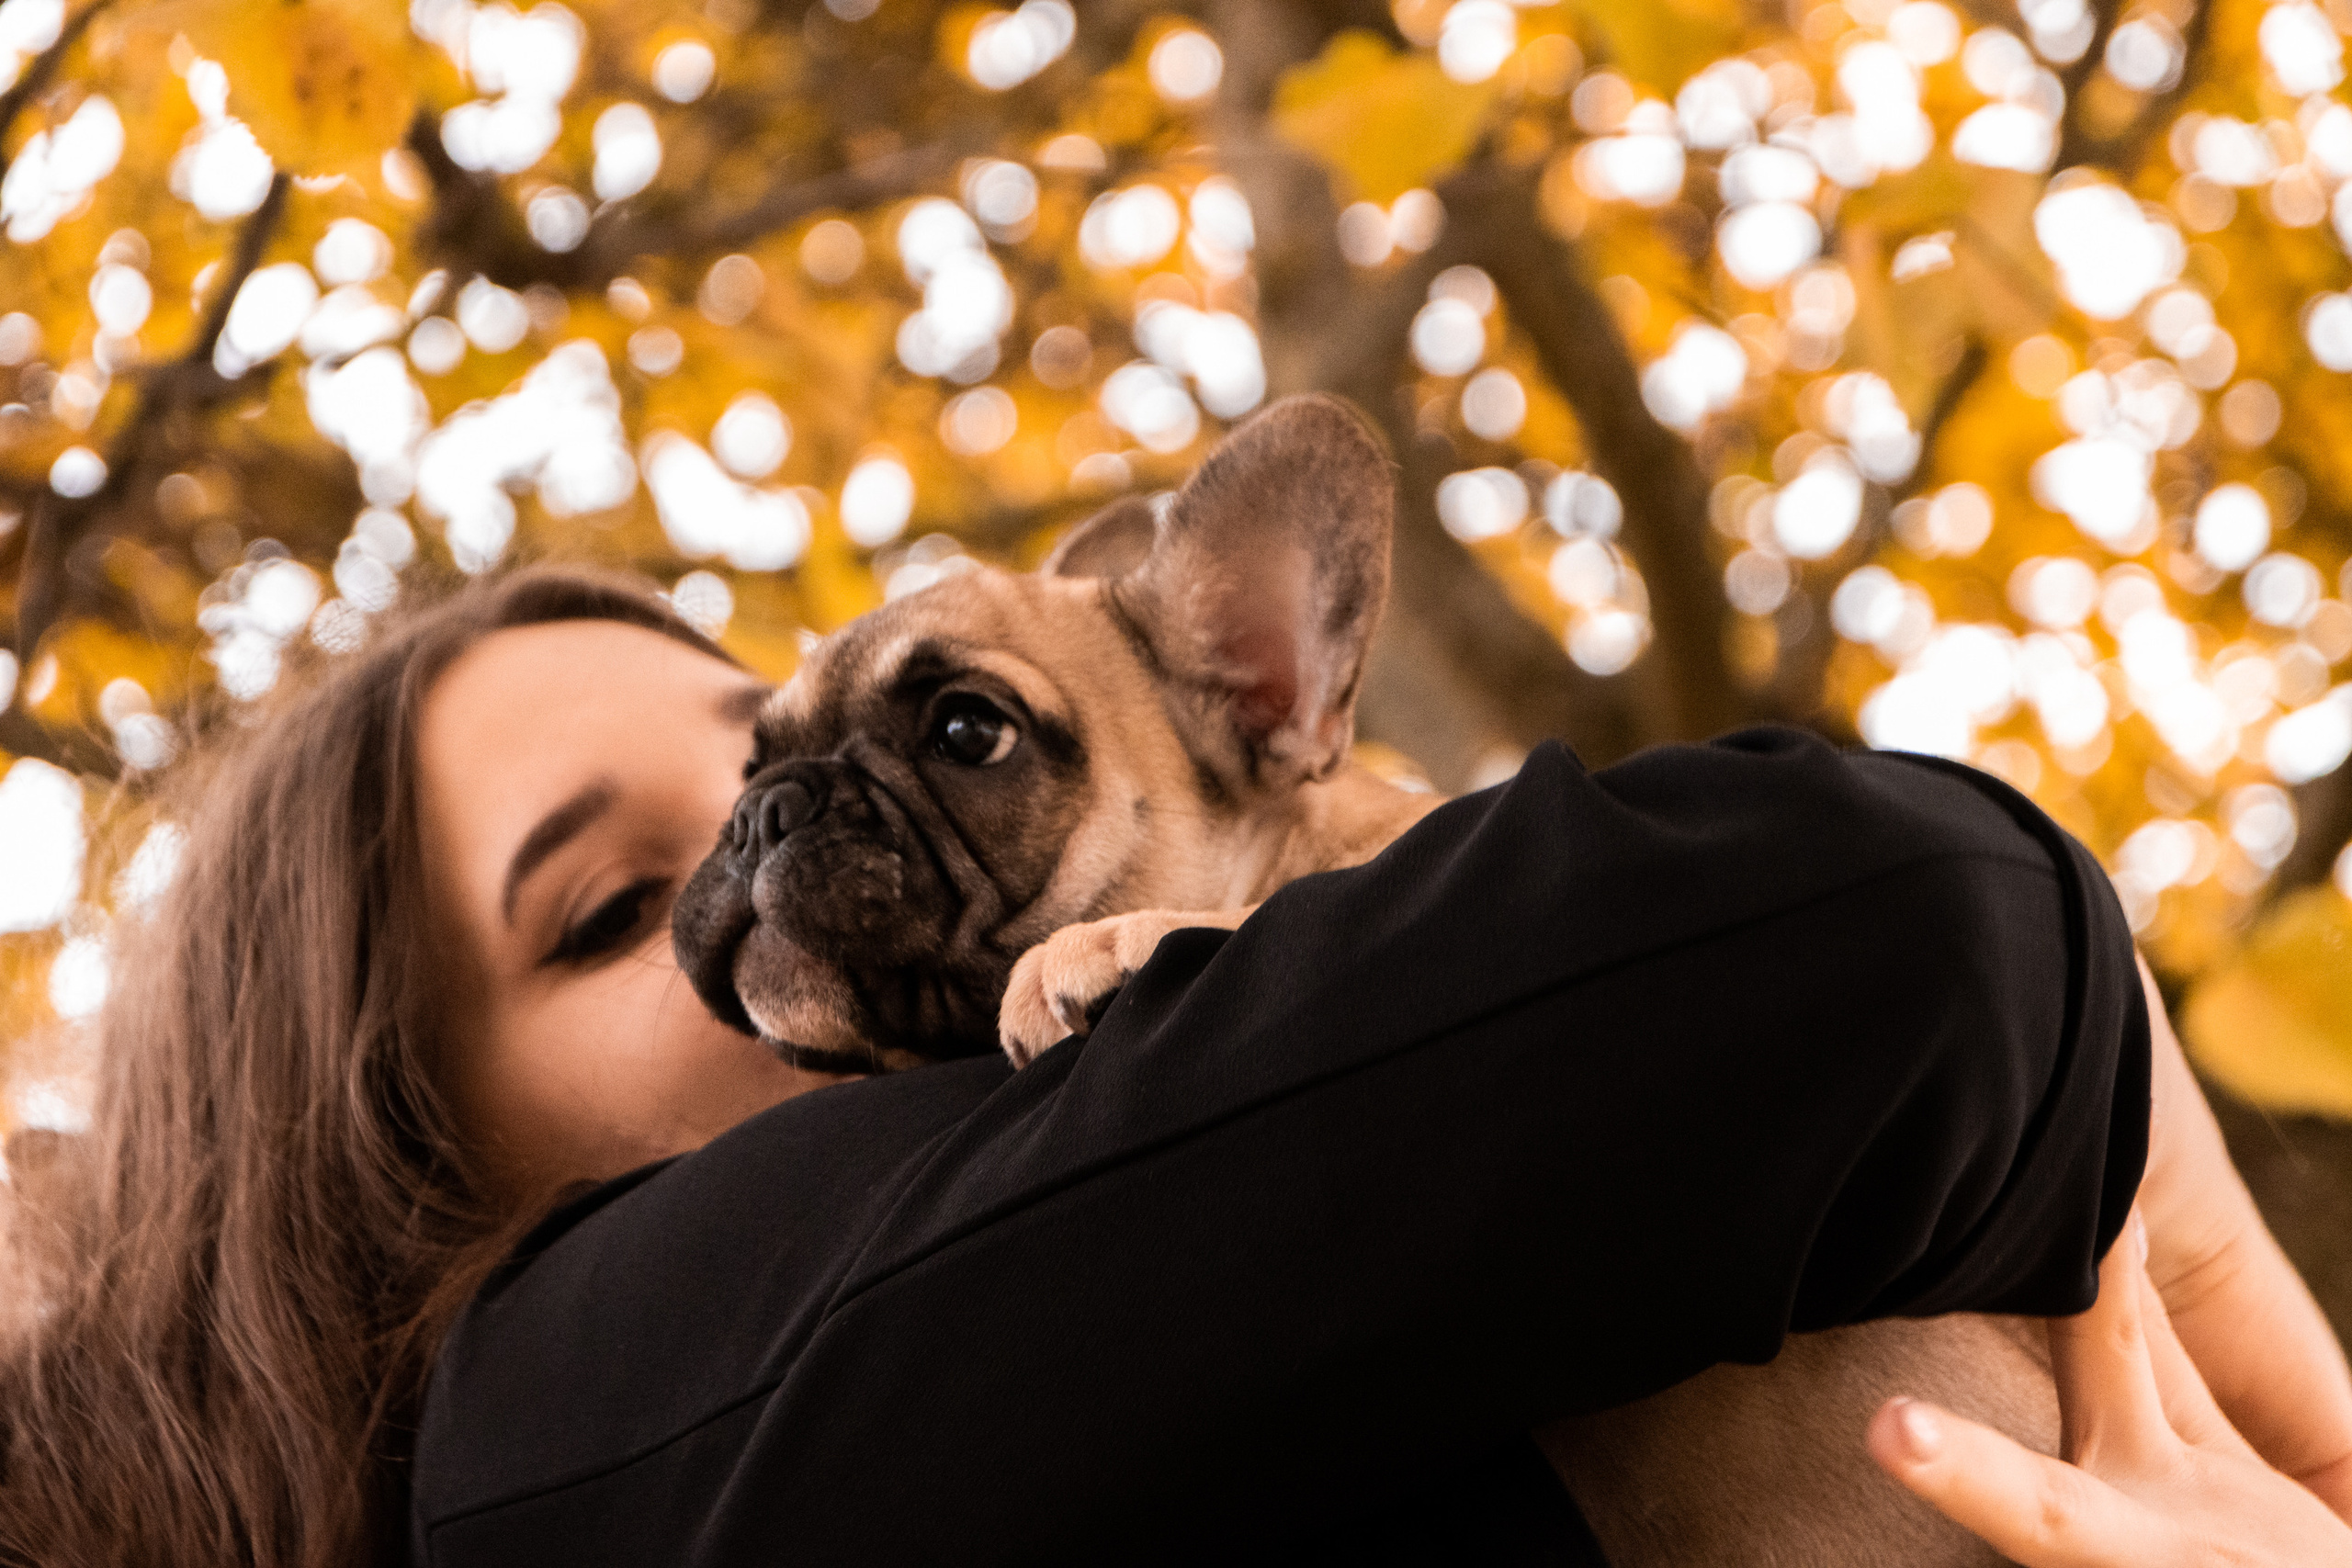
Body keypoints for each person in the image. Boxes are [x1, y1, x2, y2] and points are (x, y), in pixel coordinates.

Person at [0, 566, 2342, 1567]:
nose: (776, 850)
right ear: (404, 1178)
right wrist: (2094, 1022)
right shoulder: (554, 1418)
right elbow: (1871, 933)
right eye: (620, 905)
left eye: (788, 754)